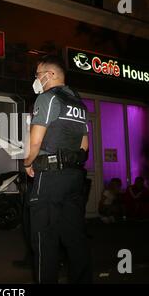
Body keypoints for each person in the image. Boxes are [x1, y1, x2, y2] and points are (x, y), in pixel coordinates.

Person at [22, 54, 92, 284]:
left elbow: (34, 142)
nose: (36, 79)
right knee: (74, 236)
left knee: (44, 238)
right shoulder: (79, 103)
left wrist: (28, 163)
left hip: (50, 178)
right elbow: (84, 146)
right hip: (74, 177)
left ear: (50, 75)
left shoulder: (47, 98)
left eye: (37, 75)